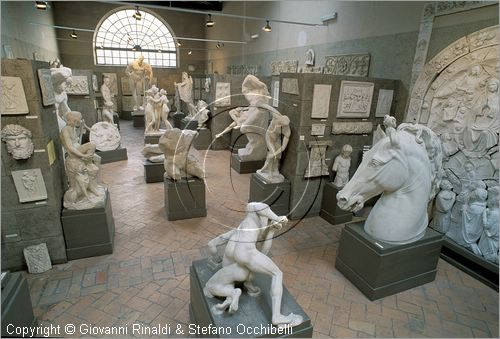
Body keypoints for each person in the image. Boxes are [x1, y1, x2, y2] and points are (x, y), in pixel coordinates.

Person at [204, 202, 303, 328]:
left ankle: (245, 286)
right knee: (277, 274)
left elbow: (212, 244)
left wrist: (216, 259)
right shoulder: (251, 223)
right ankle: (277, 317)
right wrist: (276, 218)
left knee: (250, 269)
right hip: (244, 261)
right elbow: (263, 252)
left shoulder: (242, 228)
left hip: (237, 269)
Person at [60, 111, 104, 209]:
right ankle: (88, 162)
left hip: (78, 150)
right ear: (73, 119)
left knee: (97, 160)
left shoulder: (72, 127)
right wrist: (83, 156)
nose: (80, 120)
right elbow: (70, 147)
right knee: (92, 145)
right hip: (74, 154)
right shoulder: (65, 130)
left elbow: (77, 140)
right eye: (79, 118)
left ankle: (93, 186)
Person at [256, 106, 290, 183]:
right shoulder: (276, 115)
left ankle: (273, 169)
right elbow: (268, 107)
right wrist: (259, 106)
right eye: (280, 123)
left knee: (277, 156)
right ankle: (270, 172)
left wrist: (276, 153)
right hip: (269, 136)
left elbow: (283, 146)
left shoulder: (287, 131)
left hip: (277, 139)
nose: (281, 126)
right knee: (272, 153)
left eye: (283, 126)